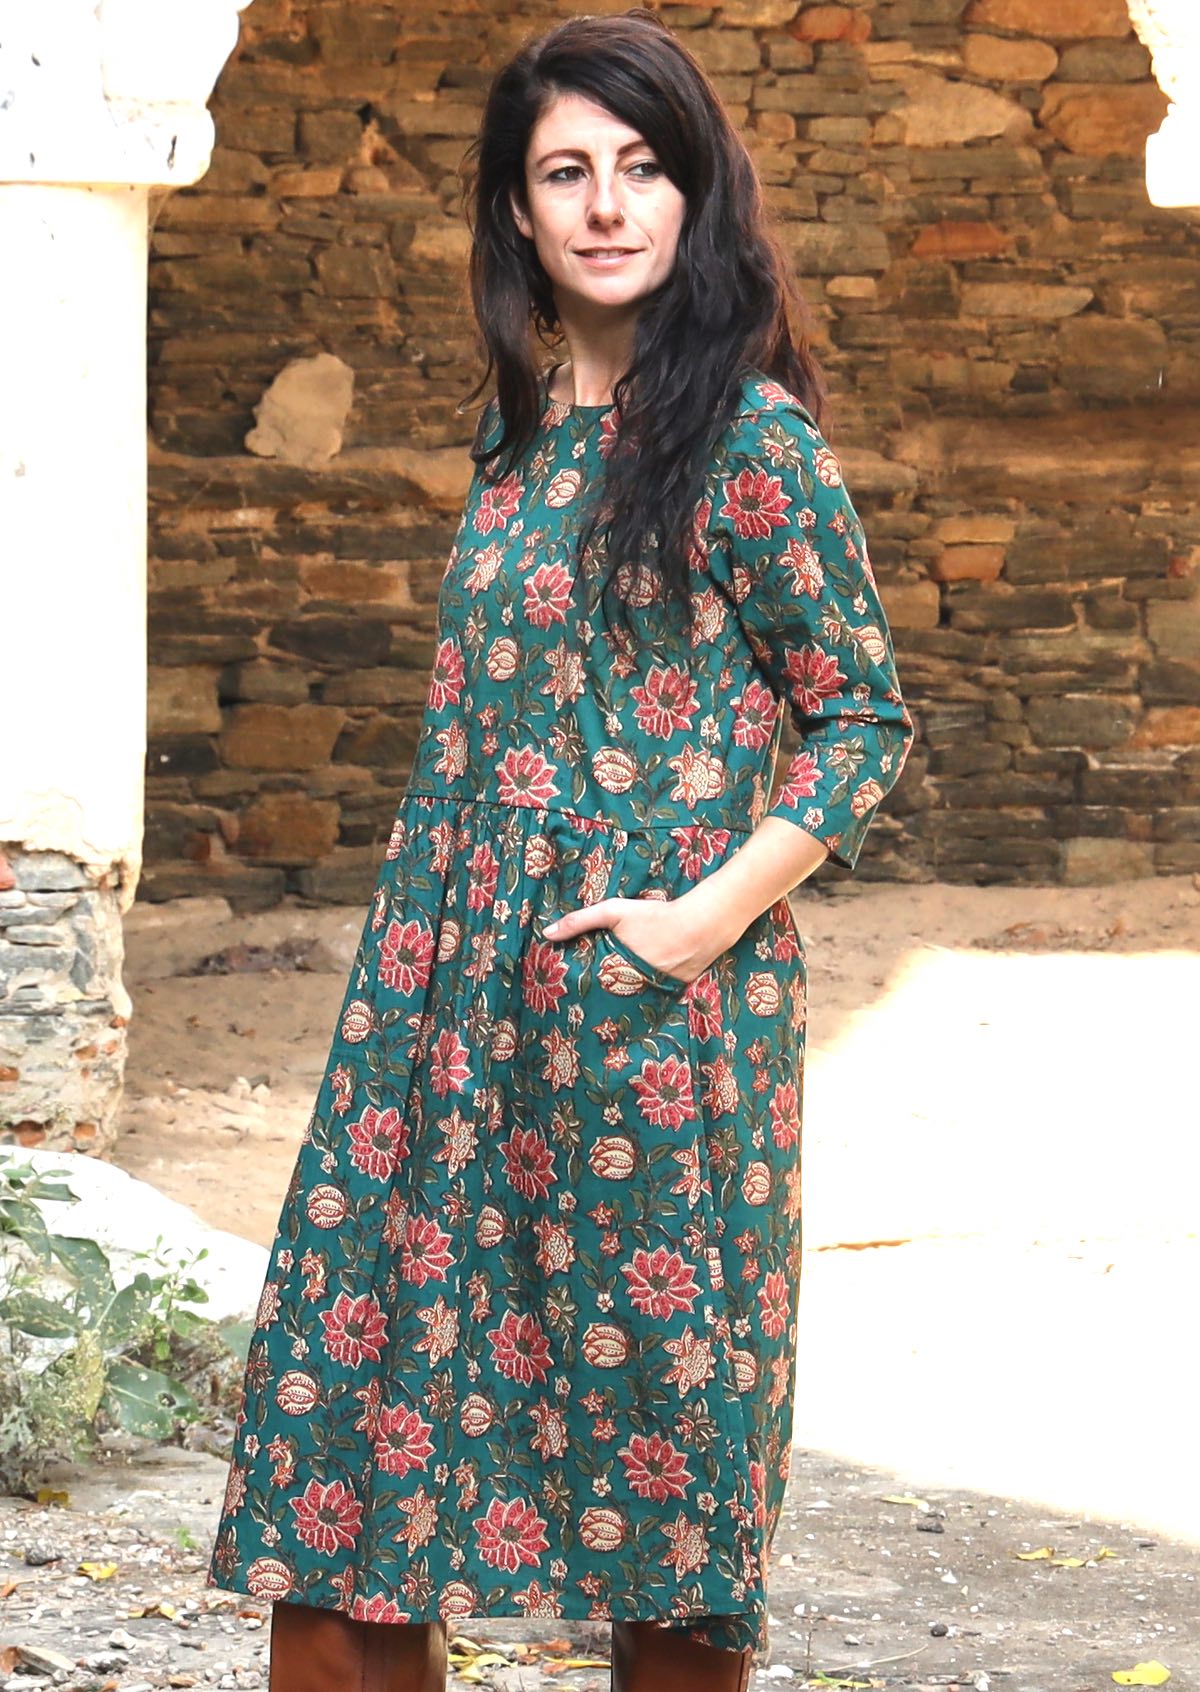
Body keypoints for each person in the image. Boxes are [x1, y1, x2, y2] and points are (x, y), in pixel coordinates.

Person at [204, 9, 915, 1690]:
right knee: (355, 1445)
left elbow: (863, 722)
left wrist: (695, 923)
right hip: (435, 1013)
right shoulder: (513, 442)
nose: (607, 205)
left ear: (698, 199)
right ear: (517, 213)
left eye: (644, 168)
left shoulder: (749, 443)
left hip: (653, 1028)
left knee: (657, 1473)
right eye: (565, 171)